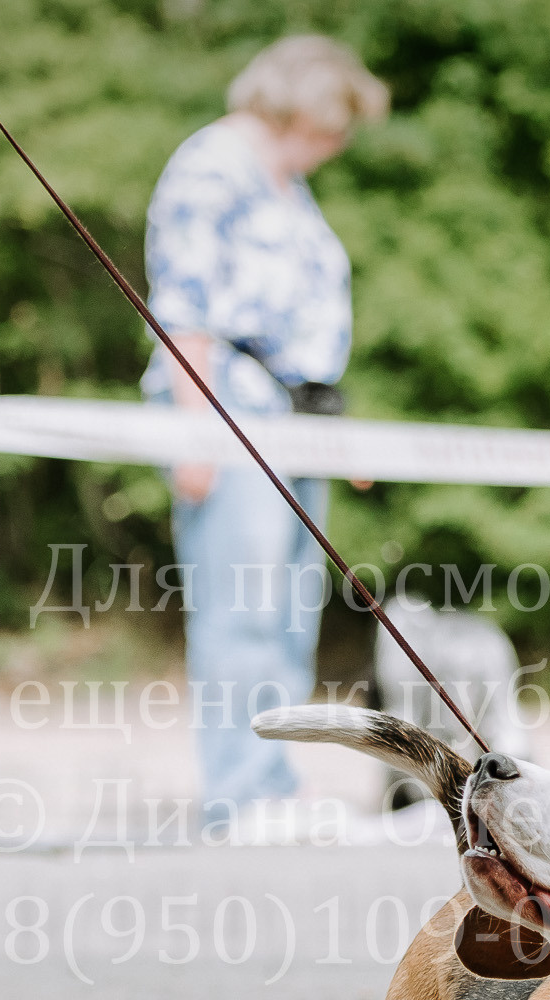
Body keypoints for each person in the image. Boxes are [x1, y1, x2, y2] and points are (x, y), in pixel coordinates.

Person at [146, 35, 389, 844]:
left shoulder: (286, 184)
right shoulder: (211, 166)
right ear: (307, 108)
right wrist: (195, 431)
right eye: (339, 122)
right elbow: (184, 306)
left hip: (293, 420)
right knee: (240, 611)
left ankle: (276, 783)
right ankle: (239, 791)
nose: (343, 142)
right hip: (230, 408)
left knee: (289, 612)